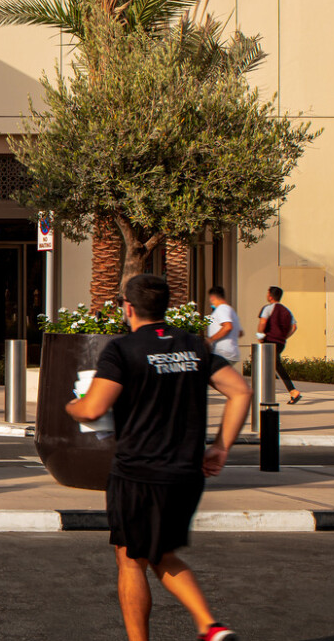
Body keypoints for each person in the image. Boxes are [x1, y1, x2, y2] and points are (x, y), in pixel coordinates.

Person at [66, 273, 249, 641]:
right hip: (186, 473)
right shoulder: (195, 345)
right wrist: (220, 447)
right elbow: (240, 391)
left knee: (130, 558)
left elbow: (92, 409)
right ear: (165, 307)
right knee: (160, 553)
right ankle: (209, 627)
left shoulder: (122, 350)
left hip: (138, 472)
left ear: (128, 308)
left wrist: (73, 406)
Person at [256, 287, 302, 404]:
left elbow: (263, 323)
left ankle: (292, 391)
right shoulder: (286, 311)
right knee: (273, 365)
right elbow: (294, 327)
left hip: (269, 341)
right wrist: (284, 337)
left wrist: (260, 336)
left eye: (267, 293)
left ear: (270, 296)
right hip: (281, 342)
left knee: (271, 366)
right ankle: (289, 391)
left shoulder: (268, 309)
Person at [205, 287, 241, 366]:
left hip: (222, 352)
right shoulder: (231, 310)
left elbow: (228, 327)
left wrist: (210, 340)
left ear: (212, 298)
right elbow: (240, 332)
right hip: (231, 351)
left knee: (213, 376)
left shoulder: (221, 309)